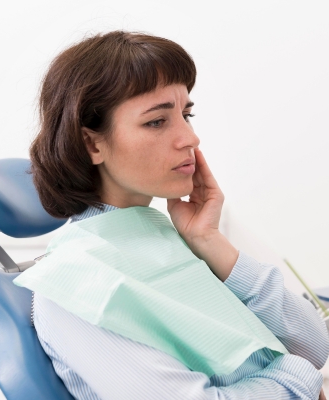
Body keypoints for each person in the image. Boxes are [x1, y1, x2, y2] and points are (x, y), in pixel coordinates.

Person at [28, 31, 329, 399]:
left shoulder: (163, 238)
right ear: (92, 143)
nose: (190, 138)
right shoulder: (75, 285)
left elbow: (315, 344)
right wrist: (296, 376)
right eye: (157, 121)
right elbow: (306, 363)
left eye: (187, 114)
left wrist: (209, 240)